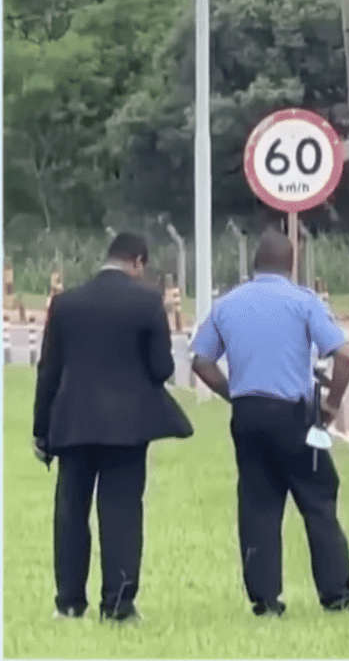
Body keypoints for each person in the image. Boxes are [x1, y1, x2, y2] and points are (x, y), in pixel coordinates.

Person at [190, 230, 349, 617]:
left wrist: (234, 393)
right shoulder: (303, 302)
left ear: (255, 263)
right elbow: (346, 356)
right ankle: (336, 595)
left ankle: (265, 600)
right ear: (291, 263)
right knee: (318, 499)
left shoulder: (226, 305)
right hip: (293, 416)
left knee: (257, 505)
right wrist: (331, 406)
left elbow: (200, 360)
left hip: (247, 415)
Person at [33, 232, 194, 622]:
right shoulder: (146, 302)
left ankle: (69, 603)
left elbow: (49, 370)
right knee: (121, 511)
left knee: (71, 511)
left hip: (72, 422)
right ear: (138, 262)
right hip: (127, 427)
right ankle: (118, 604)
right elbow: (162, 369)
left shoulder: (66, 303)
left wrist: (42, 430)